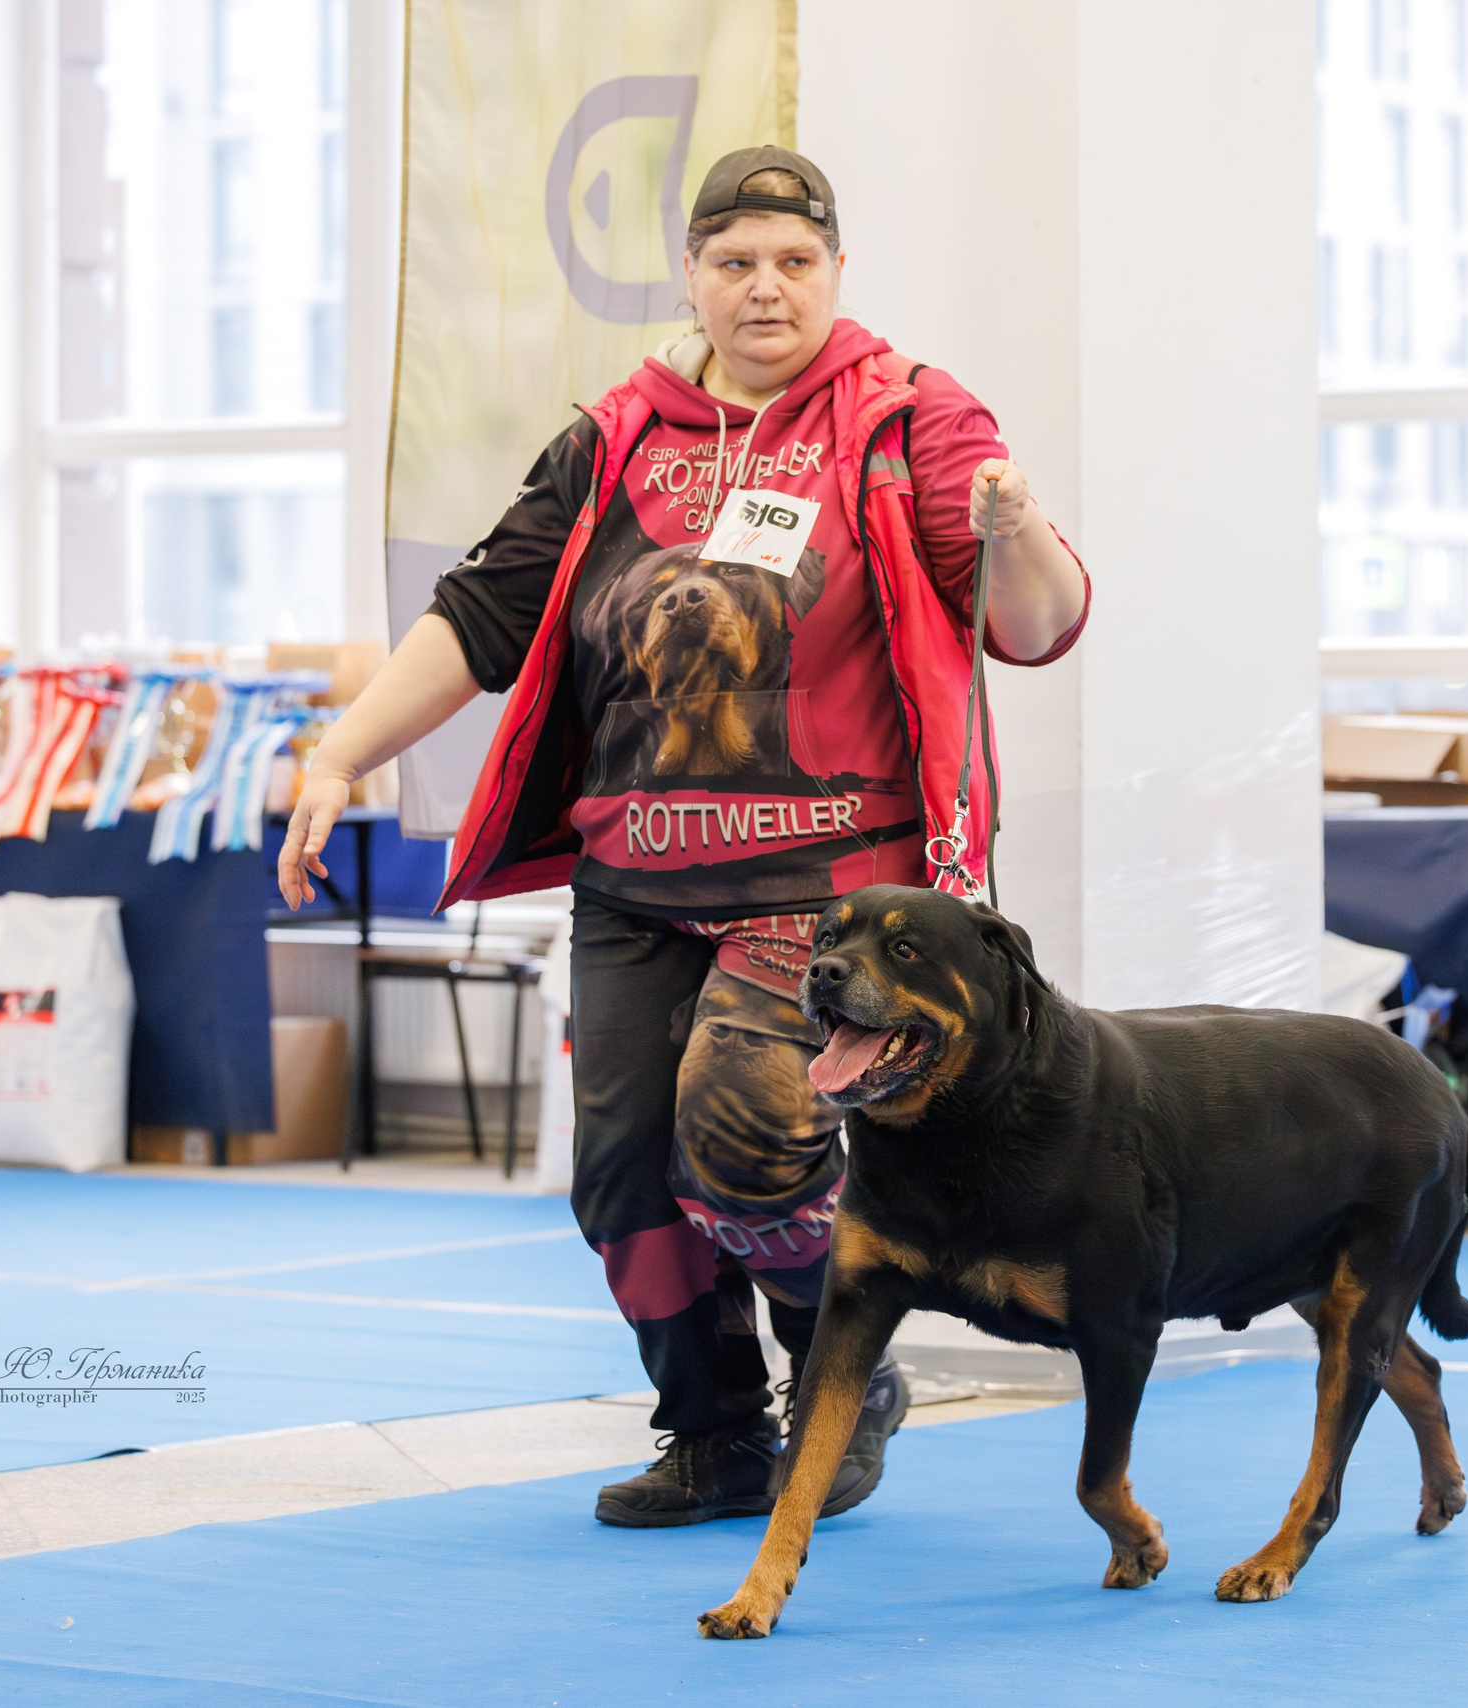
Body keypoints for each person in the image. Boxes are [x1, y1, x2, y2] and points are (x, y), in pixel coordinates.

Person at [278, 146, 1088, 1527]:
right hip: (636, 875)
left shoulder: (906, 416)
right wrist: (341, 751)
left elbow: (1034, 622)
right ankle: (711, 1435)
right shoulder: (612, 438)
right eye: (734, 261)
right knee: (620, 1174)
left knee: (746, 1132)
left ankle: (844, 1366)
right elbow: (482, 616)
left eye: (794, 261)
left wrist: (1015, 528)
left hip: (834, 882)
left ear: (836, 273)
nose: (764, 287)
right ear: (693, 277)